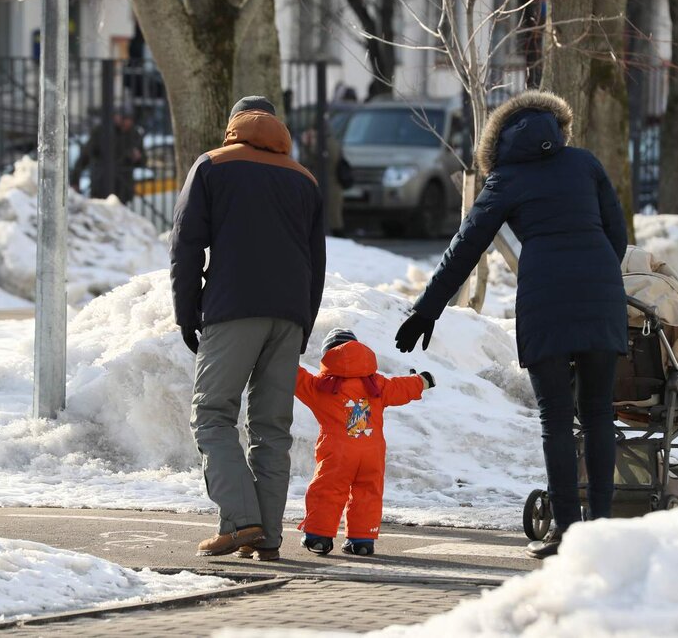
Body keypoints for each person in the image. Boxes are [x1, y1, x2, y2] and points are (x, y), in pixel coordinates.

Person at [394, 91, 628, 560]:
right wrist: (598, 275)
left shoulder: (505, 179)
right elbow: (617, 235)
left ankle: (567, 529)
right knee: (599, 412)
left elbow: (466, 246)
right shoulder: (584, 163)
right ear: (559, 128)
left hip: (545, 298)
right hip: (602, 291)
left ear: (498, 141)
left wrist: (426, 308)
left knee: (556, 417)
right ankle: (601, 528)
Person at [170, 95, 327, 561]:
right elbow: (316, 261)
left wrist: (186, 310)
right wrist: (304, 322)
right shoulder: (304, 179)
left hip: (232, 309)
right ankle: (268, 538)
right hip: (290, 313)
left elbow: (186, 244)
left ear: (233, 124)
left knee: (213, 414)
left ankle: (242, 521)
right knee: (271, 429)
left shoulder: (212, 165)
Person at [293, 328, 434, 556]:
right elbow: (402, 386)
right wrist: (422, 381)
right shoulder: (377, 385)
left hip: (337, 454)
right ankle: (362, 540)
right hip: (372, 453)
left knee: (328, 490)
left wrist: (278, 353)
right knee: (368, 493)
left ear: (328, 355)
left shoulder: (320, 387)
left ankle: (319, 536)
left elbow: (295, 376)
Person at [71, 105, 145, 203]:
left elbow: (143, 160)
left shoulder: (134, 134)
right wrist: (75, 180)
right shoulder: (101, 131)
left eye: (129, 119)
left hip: (122, 187)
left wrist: (138, 158)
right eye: (124, 118)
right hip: (101, 185)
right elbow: (85, 157)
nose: (127, 122)